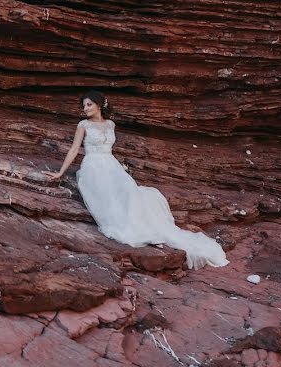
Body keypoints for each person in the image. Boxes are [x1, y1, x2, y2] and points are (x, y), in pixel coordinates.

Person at [43, 91, 228, 269]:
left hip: (111, 164)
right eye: (83, 106)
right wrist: (60, 172)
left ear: (99, 105)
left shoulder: (111, 125)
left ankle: (149, 229)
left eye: (89, 104)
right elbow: (75, 149)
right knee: (111, 199)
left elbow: (110, 149)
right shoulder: (83, 125)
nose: (85, 108)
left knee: (130, 191)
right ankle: (134, 229)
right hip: (92, 167)